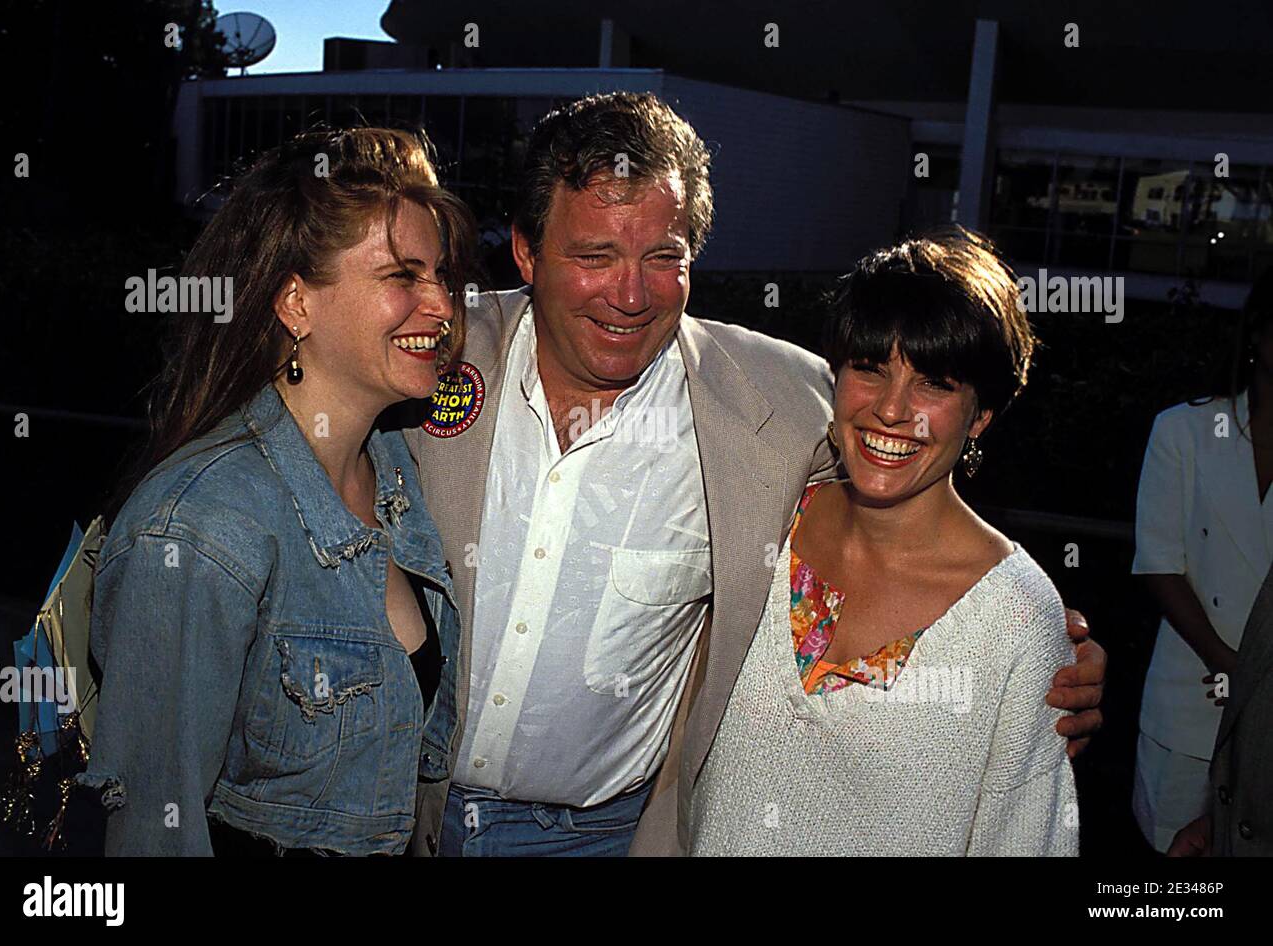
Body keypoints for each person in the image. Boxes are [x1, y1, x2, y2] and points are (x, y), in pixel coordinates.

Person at [402, 92, 1106, 858]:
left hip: (601, 838)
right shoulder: (427, 356)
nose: (630, 295)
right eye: (596, 256)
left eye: (663, 258)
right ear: (528, 252)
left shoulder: (778, 406)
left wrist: (1034, 644)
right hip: (394, 809)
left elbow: (904, 486)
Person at [77, 128, 478, 855]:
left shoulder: (395, 468)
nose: (443, 306)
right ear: (296, 304)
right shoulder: (199, 527)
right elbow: (152, 828)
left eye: (442, 276)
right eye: (402, 277)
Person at [686, 229, 1077, 855]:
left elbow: (1026, 839)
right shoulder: (764, 517)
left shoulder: (1018, 619)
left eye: (935, 384)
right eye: (869, 369)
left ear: (981, 416)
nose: (892, 411)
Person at [1132, 266, 1273, 853]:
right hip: (1192, 699)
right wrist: (1235, 669)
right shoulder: (1184, 431)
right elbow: (1160, 563)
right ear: (1260, 337)